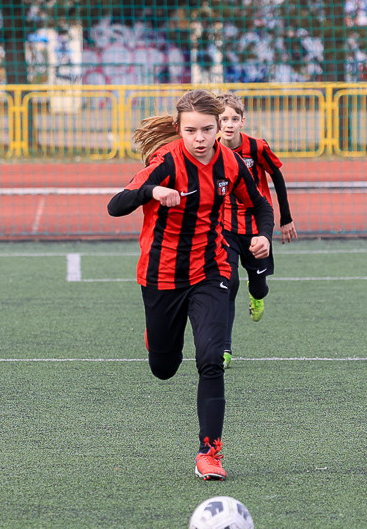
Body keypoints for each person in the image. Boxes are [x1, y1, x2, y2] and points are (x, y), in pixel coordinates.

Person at [106, 90, 274, 481]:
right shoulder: (165, 162)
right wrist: (151, 191)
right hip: (162, 274)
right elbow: (116, 204)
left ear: (219, 128)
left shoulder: (231, 163)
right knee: (164, 368)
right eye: (191, 130)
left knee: (211, 359)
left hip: (212, 270)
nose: (199, 138)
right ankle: (157, 335)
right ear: (179, 130)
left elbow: (260, 205)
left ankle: (209, 453)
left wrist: (264, 234)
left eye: (207, 130)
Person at [217, 92, 298, 369]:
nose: (229, 124)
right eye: (223, 119)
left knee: (259, 285)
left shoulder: (257, 148)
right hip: (225, 226)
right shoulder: (210, 149)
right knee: (226, 284)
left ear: (243, 121)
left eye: (234, 118)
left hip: (256, 229)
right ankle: (224, 350)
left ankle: (257, 293)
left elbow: (277, 177)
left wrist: (285, 218)